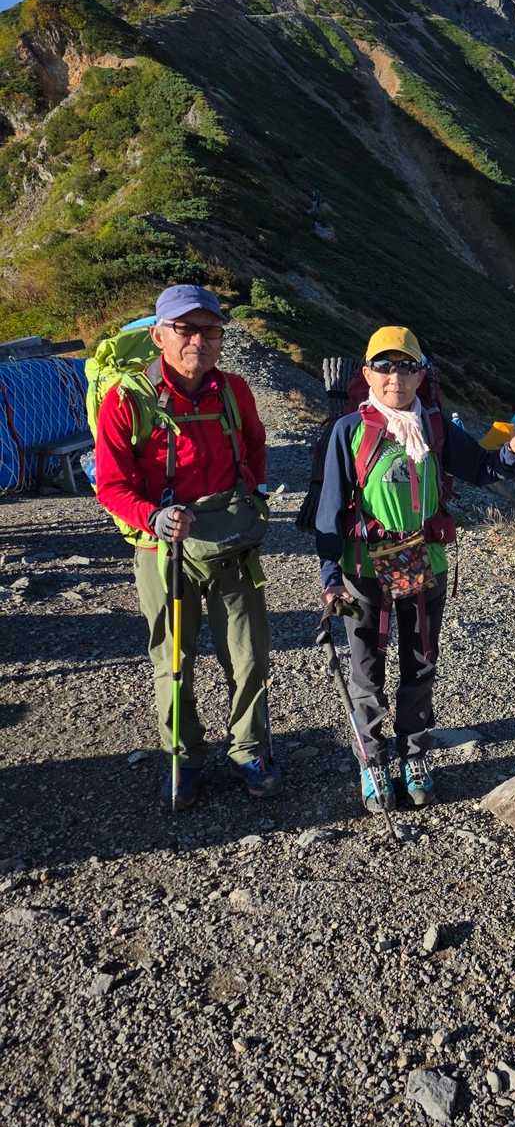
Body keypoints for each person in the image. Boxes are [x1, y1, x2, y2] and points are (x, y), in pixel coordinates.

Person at [315, 326, 515, 811]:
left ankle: (414, 755)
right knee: (366, 669)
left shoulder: (435, 426)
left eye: (406, 366)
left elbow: (483, 469)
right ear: (366, 374)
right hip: (364, 567)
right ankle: (372, 761)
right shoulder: (349, 430)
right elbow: (329, 509)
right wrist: (329, 575)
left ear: (421, 375)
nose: (395, 377)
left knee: (420, 664)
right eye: (384, 366)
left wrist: (514, 448)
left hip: (425, 560)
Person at [94, 284, 278, 810]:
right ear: (159, 336)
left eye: (210, 330)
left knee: (248, 654)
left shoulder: (235, 391)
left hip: (230, 545)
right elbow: (111, 485)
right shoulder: (126, 400)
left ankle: (249, 750)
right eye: (186, 329)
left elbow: (256, 445)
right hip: (162, 551)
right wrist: (152, 516)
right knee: (173, 660)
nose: (199, 339)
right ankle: (184, 756)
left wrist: (250, 495)